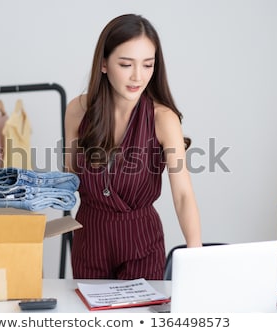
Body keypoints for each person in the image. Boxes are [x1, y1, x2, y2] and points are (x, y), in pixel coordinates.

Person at [64, 13, 202, 280]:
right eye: (126, 64)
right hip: (88, 242)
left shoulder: (163, 119)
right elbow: (69, 179)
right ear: (104, 64)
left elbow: (183, 194)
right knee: (90, 320)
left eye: (148, 65)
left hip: (141, 243)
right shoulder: (77, 111)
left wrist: (195, 256)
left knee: (139, 321)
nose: (138, 76)